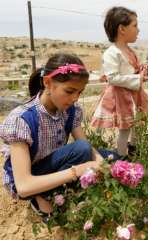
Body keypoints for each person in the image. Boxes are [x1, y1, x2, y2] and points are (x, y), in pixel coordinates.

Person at [0, 53, 117, 216]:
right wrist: (79, 170)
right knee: (82, 150)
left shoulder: (71, 111)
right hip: (29, 179)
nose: (75, 98)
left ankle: (63, 193)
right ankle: (41, 197)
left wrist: (101, 163)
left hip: (53, 166)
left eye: (79, 93)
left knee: (111, 157)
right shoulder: (21, 120)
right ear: (47, 82)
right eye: (69, 91)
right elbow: (23, 186)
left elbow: (87, 146)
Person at [91, 6, 148, 156]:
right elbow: (112, 77)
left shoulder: (130, 51)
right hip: (121, 96)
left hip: (133, 94)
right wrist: (138, 77)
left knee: (138, 124)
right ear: (122, 29)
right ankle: (121, 157)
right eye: (135, 26)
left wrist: (144, 71)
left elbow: (133, 70)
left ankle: (134, 150)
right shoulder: (112, 53)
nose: (138, 30)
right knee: (125, 129)